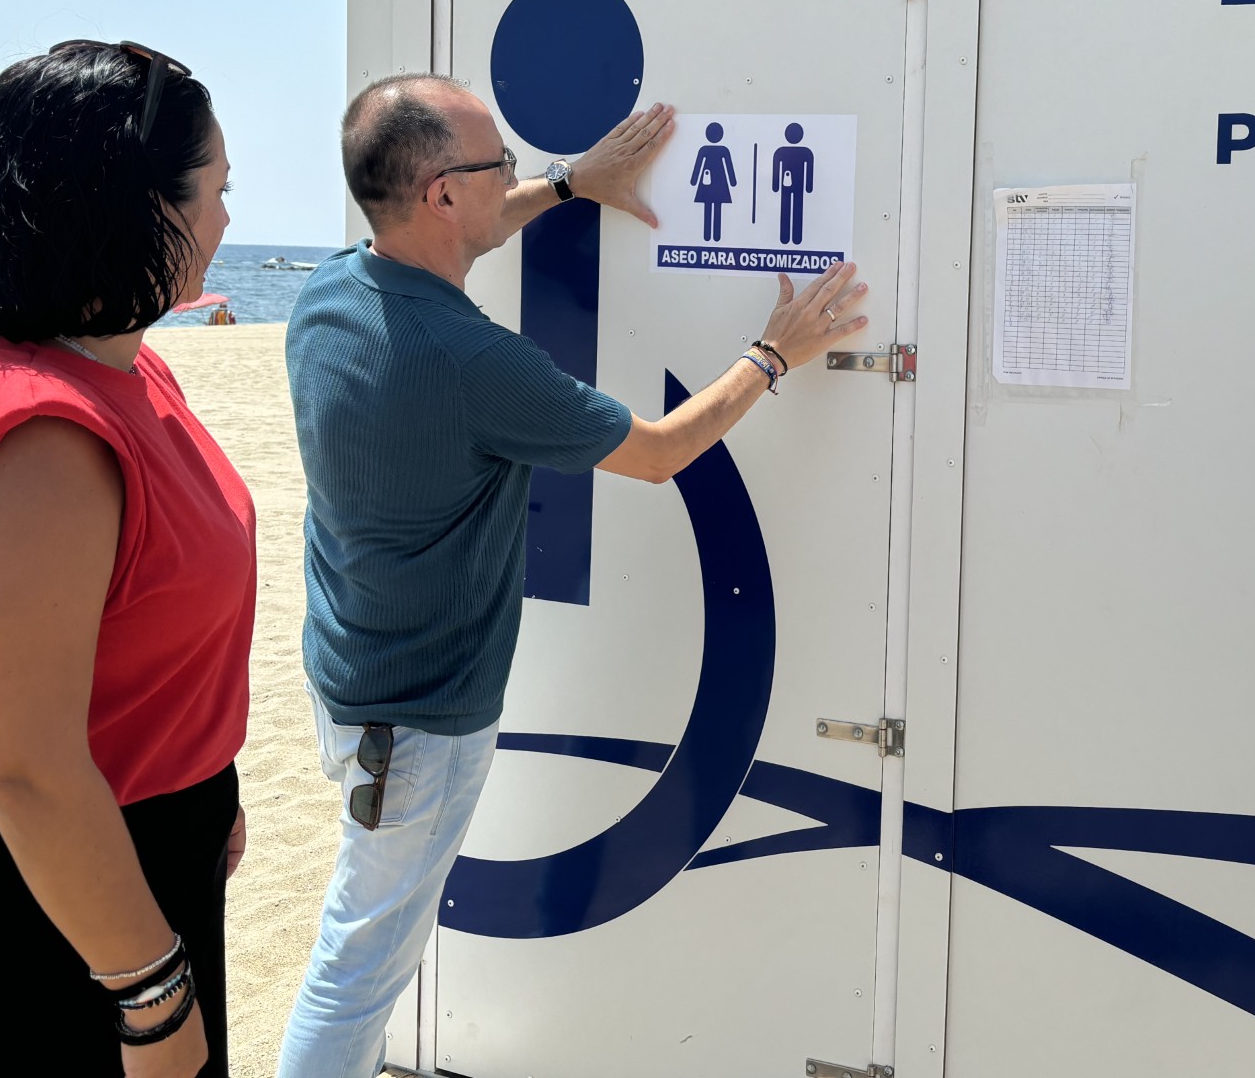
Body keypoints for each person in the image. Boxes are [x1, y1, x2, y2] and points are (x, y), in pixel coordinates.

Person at [278, 76, 867, 1077]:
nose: (510, 172)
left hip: (353, 682)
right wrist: (776, 352)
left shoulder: (331, 292)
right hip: (418, 726)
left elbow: (473, 223)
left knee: (367, 937)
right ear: (438, 194)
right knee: (361, 961)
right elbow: (659, 451)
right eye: (495, 162)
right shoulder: (471, 361)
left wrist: (566, 183)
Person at [0, 41, 256, 1076]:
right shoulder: (37, 438)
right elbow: (22, 766)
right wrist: (149, 992)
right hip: (42, 895)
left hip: (138, 849)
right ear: (139, 209)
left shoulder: (126, 367)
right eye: (216, 192)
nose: (229, 222)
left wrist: (212, 791)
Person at [691, 119, 737, 241]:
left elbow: (698, 167)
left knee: (709, 208)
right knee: (717, 208)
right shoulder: (723, 150)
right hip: (720, 182)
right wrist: (732, 181)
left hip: (707, 183)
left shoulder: (704, 150)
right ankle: (715, 235)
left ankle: (708, 235)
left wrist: (694, 181)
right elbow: (728, 167)